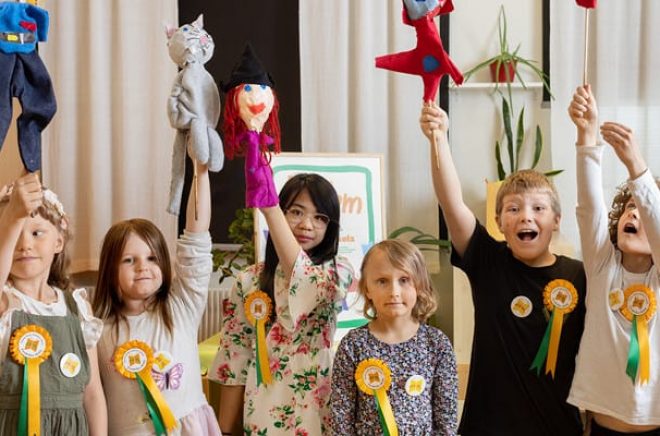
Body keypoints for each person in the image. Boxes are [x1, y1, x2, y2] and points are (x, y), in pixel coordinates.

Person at [419, 102, 586, 435]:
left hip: (558, 426)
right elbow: (451, 203)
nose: (526, 216)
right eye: (513, 208)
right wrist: (438, 138)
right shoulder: (487, 260)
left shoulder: (580, 274)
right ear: (498, 222)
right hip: (487, 426)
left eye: (538, 208)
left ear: (556, 220)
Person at [208, 173, 356, 435]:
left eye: (320, 218)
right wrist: (225, 430)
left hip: (319, 401)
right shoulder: (248, 280)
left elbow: (307, 283)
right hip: (263, 403)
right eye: (296, 212)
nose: (306, 225)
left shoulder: (338, 270)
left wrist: (271, 210)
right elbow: (235, 357)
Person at [92, 161, 220, 435]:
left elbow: (196, 240)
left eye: (151, 257)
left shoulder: (181, 306)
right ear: (110, 270)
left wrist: (200, 172)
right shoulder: (97, 330)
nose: (142, 267)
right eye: (129, 260)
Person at [567, 84, 660, 435]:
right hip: (602, 424)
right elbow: (589, 205)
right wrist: (586, 134)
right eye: (628, 208)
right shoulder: (602, 264)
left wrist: (637, 167)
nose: (633, 214)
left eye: (642, 210)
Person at [0, 173, 107, 435]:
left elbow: (92, 393)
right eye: (15, 235)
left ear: (58, 241)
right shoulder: (6, 301)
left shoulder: (78, 307)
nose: (24, 245)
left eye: (37, 233)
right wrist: (12, 216)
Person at [329, 239, 457, 435]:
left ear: (420, 285)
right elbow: (341, 419)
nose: (394, 292)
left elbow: (446, 421)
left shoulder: (437, 344)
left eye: (404, 280)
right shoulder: (353, 344)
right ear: (367, 289)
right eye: (382, 281)